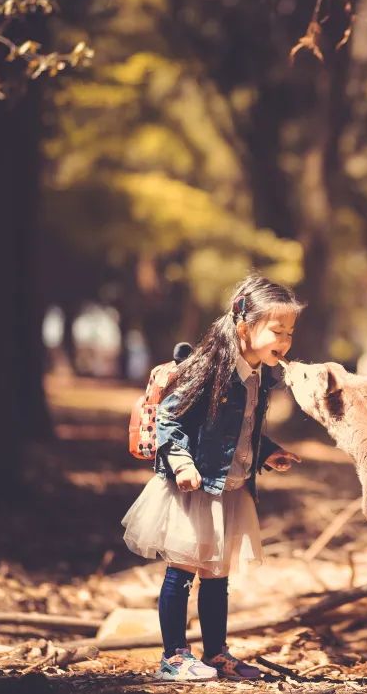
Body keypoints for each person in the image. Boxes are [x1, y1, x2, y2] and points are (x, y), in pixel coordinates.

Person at [122, 274, 304, 682]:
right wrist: (182, 463)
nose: (286, 340)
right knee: (182, 570)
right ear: (244, 325)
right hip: (194, 487)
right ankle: (173, 656)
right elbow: (171, 417)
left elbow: (243, 427)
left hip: (231, 488)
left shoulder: (261, 374)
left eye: (290, 332)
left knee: (217, 576)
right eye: (277, 330)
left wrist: (269, 452)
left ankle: (216, 652)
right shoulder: (211, 366)